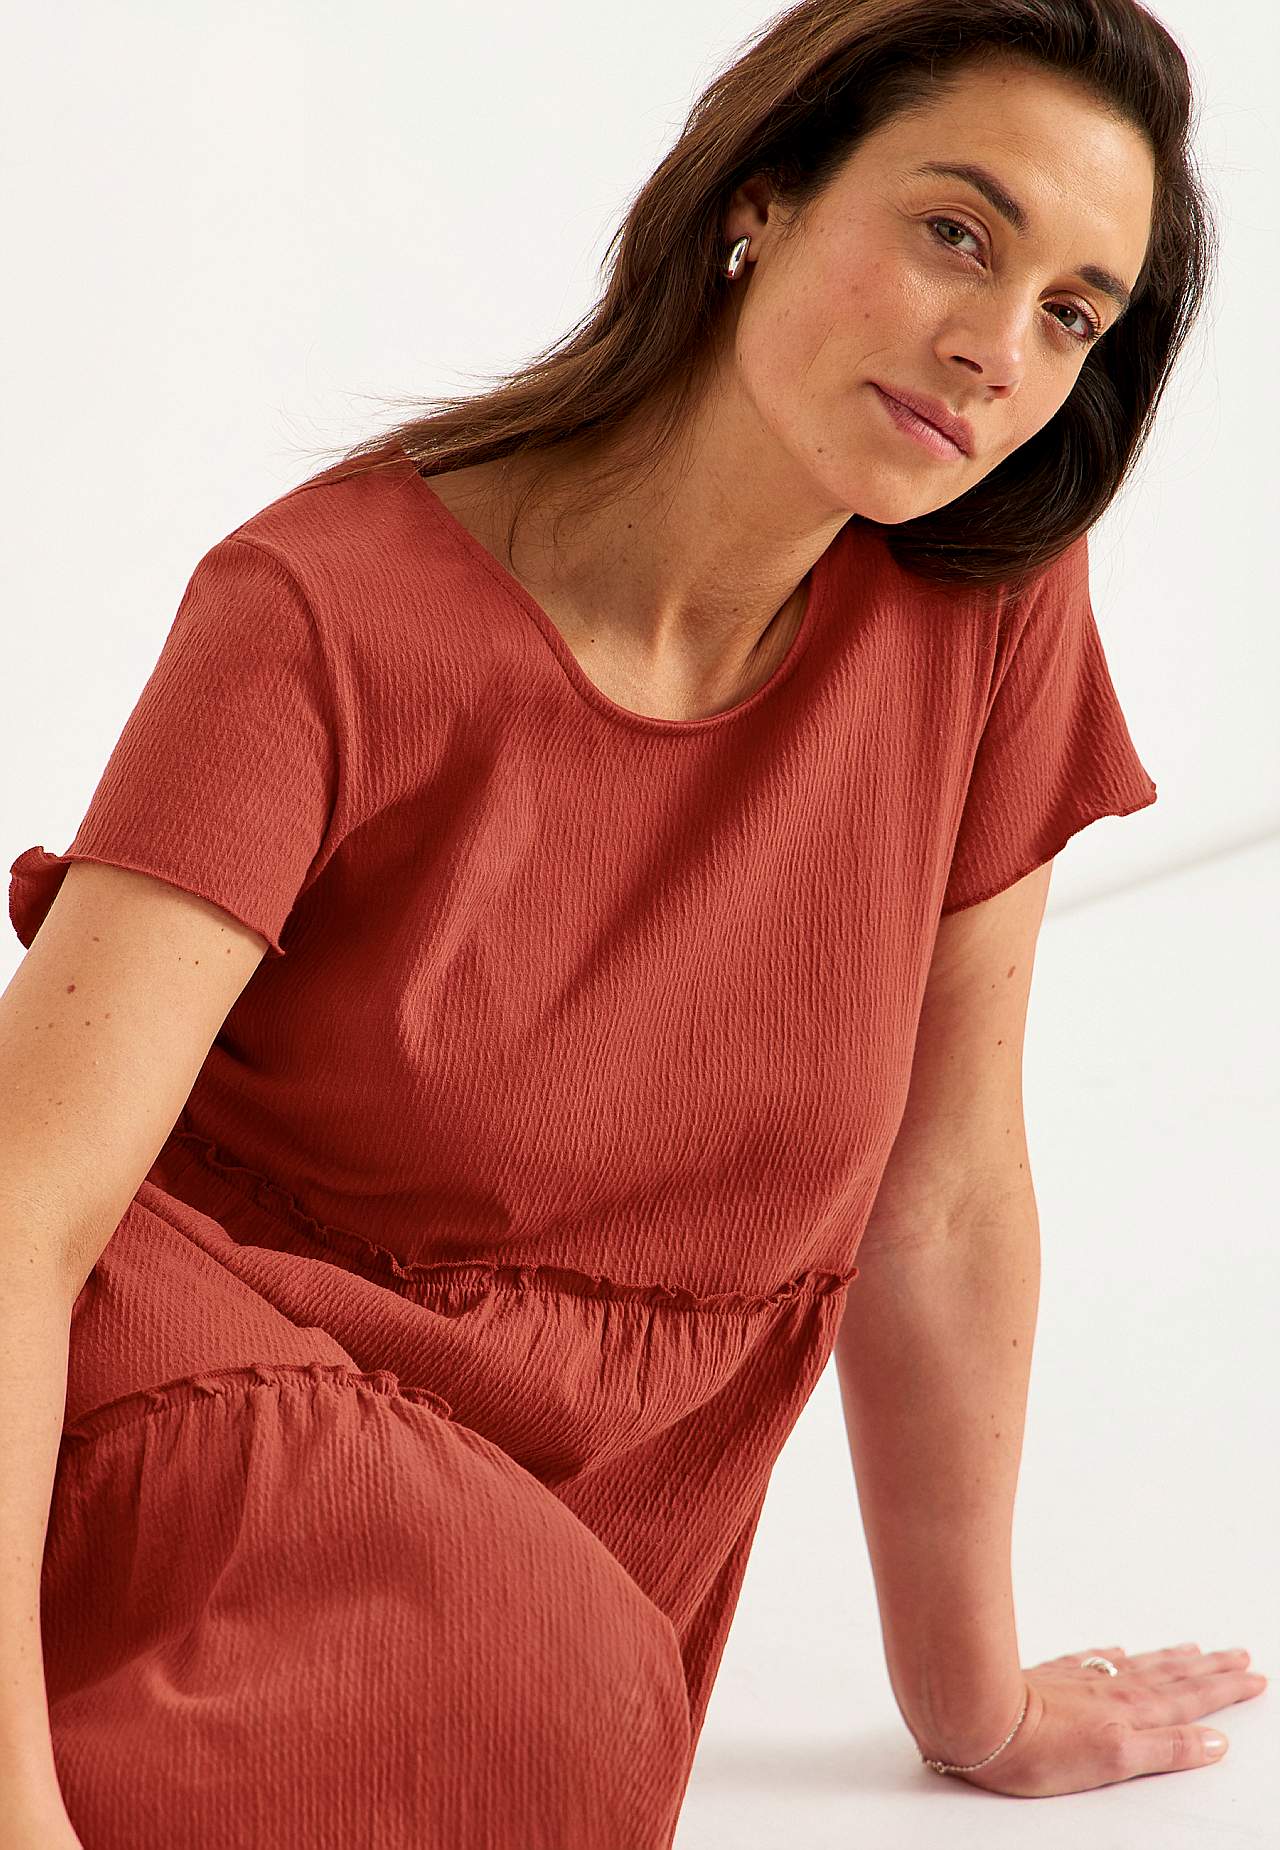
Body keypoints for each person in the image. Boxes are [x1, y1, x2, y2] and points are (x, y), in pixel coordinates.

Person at [0, 1, 1264, 1845]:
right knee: (522, 1694)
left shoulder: (986, 606)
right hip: (166, 1420)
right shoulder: (319, 613)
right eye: (955, 232)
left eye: (1073, 312)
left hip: (566, 1552)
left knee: (551, 1704)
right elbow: (21, 1213)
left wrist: (975, 1701)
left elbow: (947, 1185)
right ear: (763, 192)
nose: (997, 350)